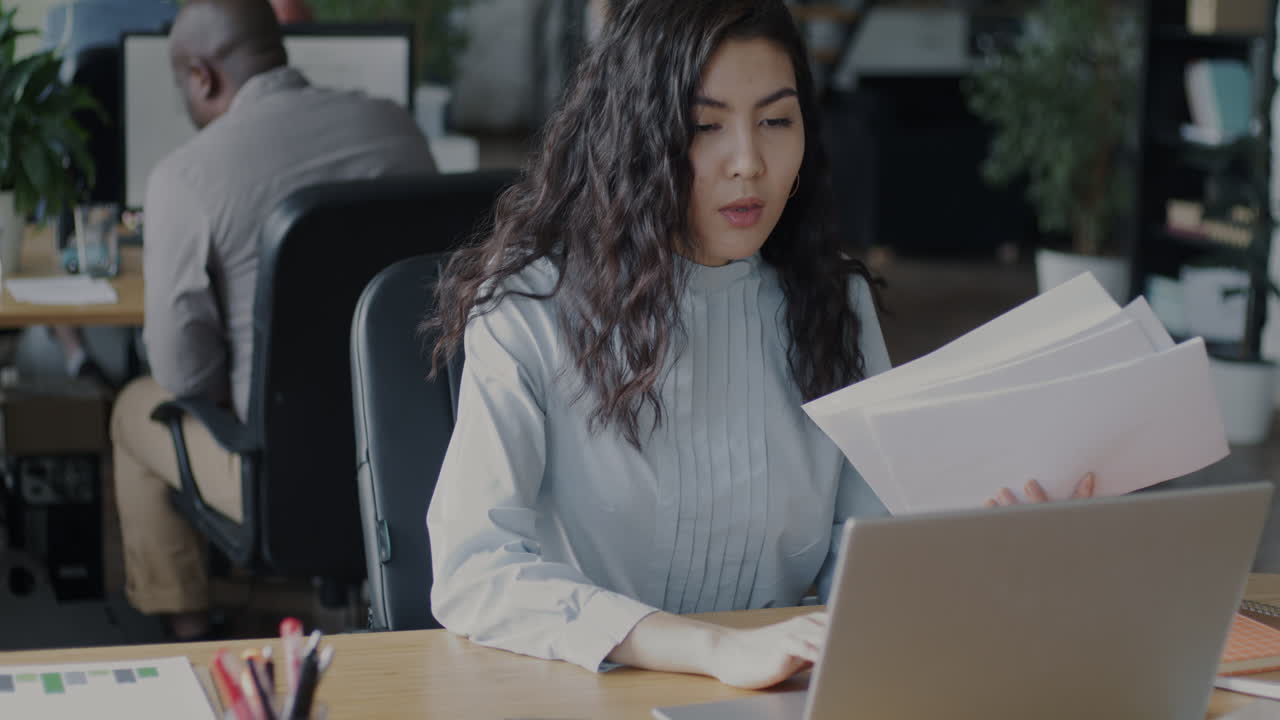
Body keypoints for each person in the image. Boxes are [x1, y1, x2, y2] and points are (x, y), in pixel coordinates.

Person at [426, 0, 1091, 690]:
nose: (748, 163)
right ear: (634, 138)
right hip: (588, 692)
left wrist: (984, 550)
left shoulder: (834, 304)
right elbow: (476, 571)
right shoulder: (529, 314)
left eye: (776, 121)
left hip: (787, 696)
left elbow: (859, 561)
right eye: (704, 127)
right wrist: (708, 648)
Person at [109, 0, 436, 640]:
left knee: (133, 408)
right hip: (411, 465)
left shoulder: (186, 176)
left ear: (202, 76)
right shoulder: (395, 126)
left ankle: (190, 635)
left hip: (280, 482)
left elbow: (185, 377)